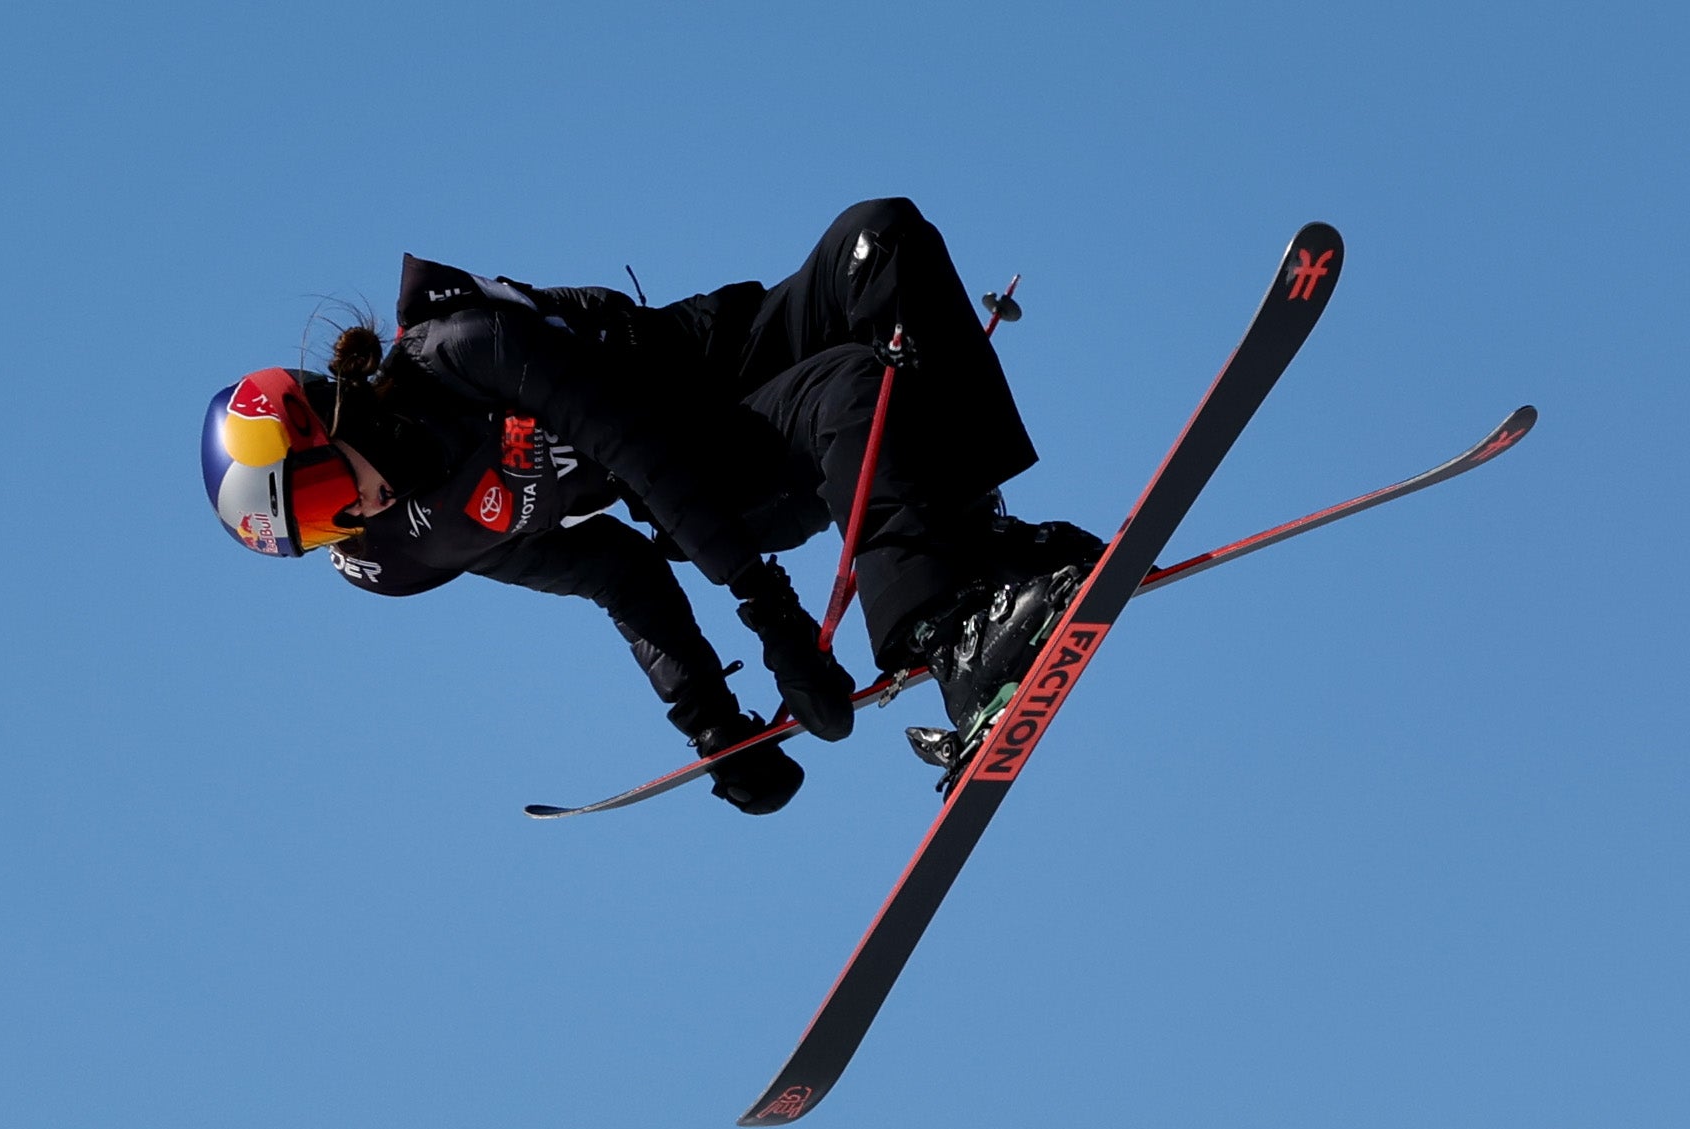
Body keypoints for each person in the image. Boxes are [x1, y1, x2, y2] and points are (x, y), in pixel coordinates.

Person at [200, 199, 1100, 812]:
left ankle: (973, 546)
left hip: (701, 364)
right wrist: (711, 721)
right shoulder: (399, 552)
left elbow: (629, 433)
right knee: (851, 390)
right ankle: (951, 636)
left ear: (333, 411)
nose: (349, 518)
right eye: (319, 533)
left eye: (321, 494)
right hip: (720, 479)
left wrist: (770, 611)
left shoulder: (463, 352)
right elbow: (610, 567)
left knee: (881, 239)